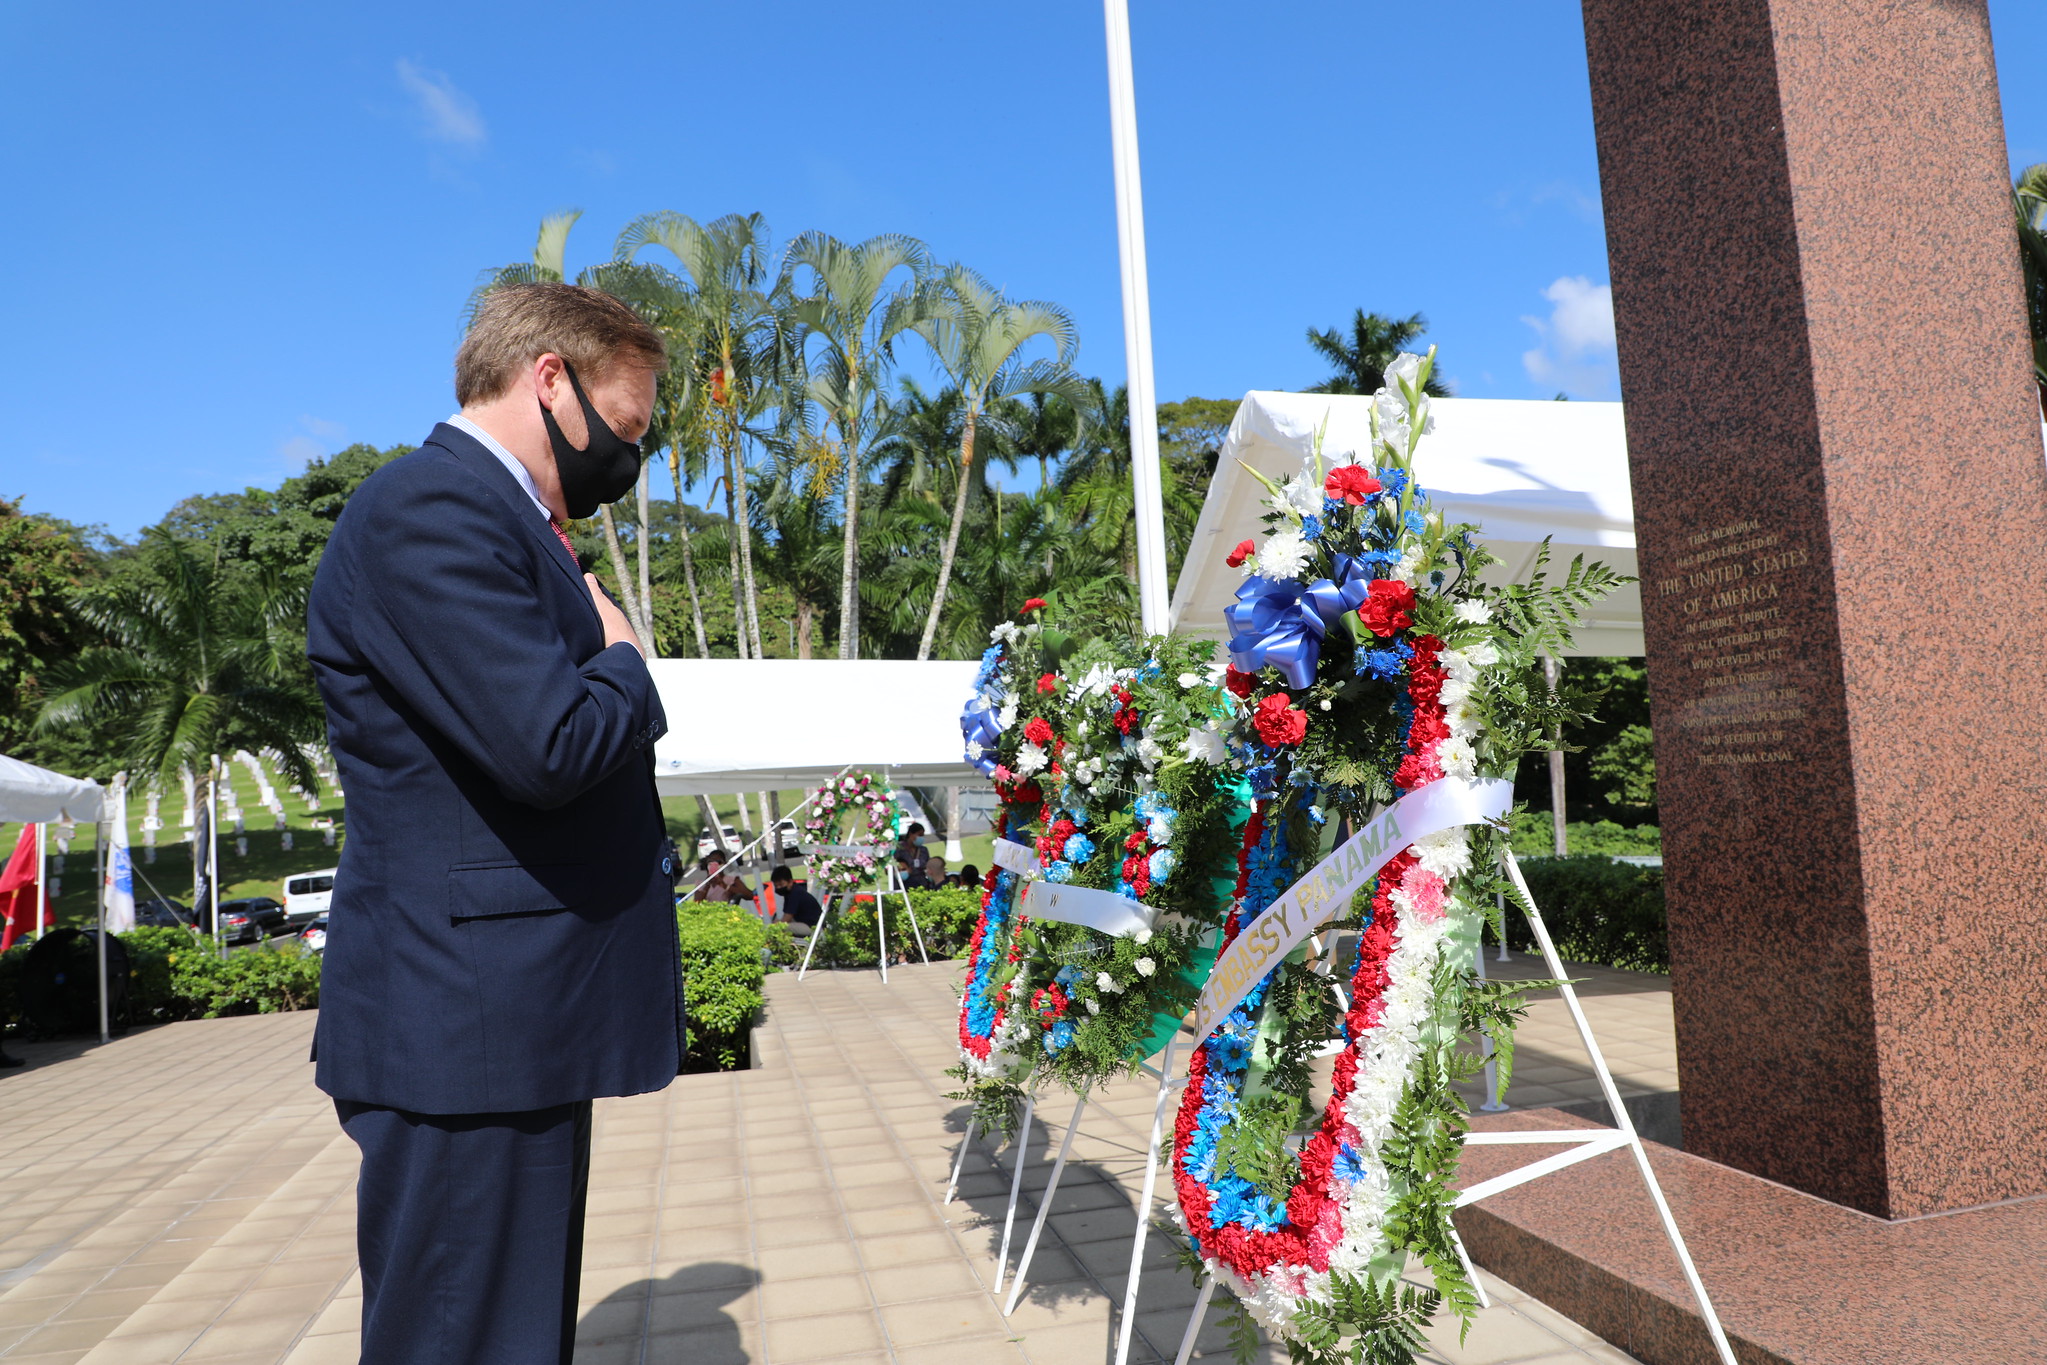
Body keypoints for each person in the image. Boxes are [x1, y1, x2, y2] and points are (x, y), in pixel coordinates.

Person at [305, 282, 681, 1365]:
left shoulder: (505, 518)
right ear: (548, 379)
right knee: (463, 1339)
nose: (628, 458)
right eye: (624, 428)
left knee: (506, 1335)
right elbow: (548, 743)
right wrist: (624, 658)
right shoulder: (432, 508)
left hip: (506, 1026)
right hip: (467, 1028)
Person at [769, 865, 822, 930]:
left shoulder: (795, 894)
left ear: (790, 882)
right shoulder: (790, 893)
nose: (778, 888)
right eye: (776, 886)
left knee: (782, 927)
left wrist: (776, 925)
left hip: (813, 927)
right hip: (805, 923)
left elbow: (787, 918)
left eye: (781, 884)